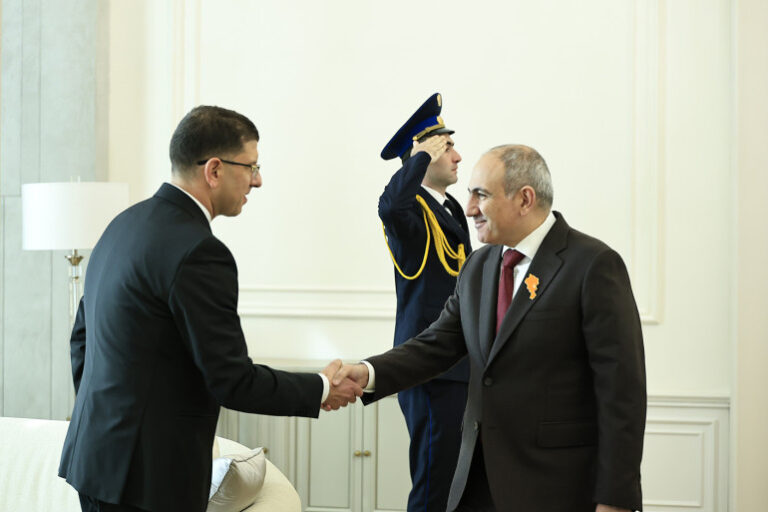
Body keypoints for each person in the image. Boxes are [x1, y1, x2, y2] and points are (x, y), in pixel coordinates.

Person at [58, 105, 362, 512]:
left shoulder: (122, 225)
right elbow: (231, 380)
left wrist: (109, 421)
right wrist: (322, 387)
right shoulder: (200, 251)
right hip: (150, 481)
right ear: (214, 170)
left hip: (95, 463)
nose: (257, 180)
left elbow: (81, 339)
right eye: (251, 167)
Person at [333, 144, 647, 512]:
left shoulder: (593, 265)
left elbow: (621, 394)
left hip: (555, 487)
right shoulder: (478, 266)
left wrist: (615, 500)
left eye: (480, 195)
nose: (469, 208)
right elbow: (436, 345)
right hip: (478, 486)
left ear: (525, 199)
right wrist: (367, 372)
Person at [378, 93, 472, 512]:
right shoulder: (409, 210)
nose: (457, 155)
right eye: (446, 146)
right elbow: (390, 207)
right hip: (430, 368)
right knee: (434, 487)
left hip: (459, 364)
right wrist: (417, 157)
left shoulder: (449, 207)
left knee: (456, 483)